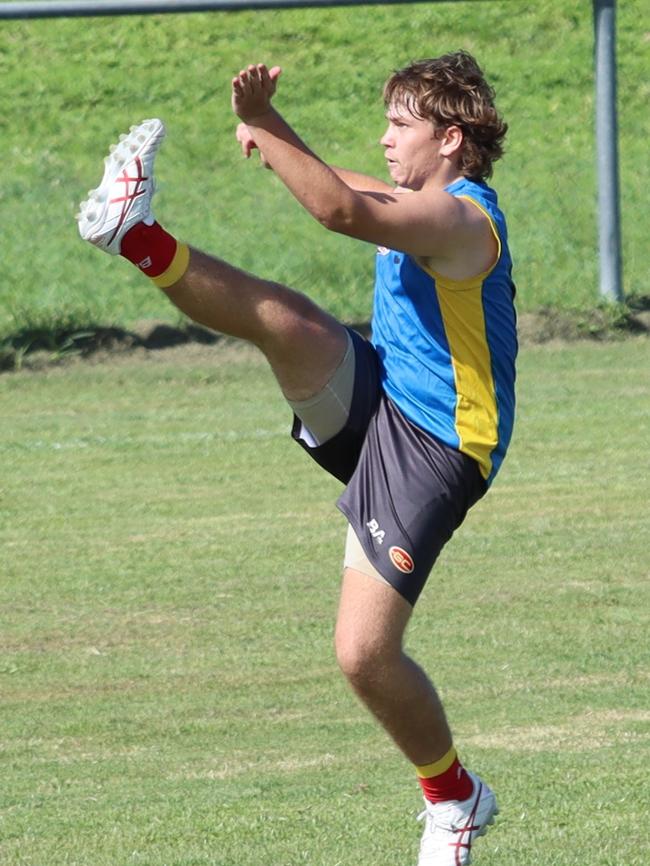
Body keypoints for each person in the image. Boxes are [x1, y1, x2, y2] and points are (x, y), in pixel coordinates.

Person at [77, 50, 517, 866]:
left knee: (362, 655)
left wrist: (270, 125)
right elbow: (355, 191)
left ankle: (454, 798)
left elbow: (343, 212)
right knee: (288, 321)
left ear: (451, 140)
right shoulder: (423, 198)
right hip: (385, 402)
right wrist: (273, 137)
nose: (386, 139)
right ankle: (134, 232)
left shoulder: (461, 221)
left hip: (439, 446)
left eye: (401, 125)